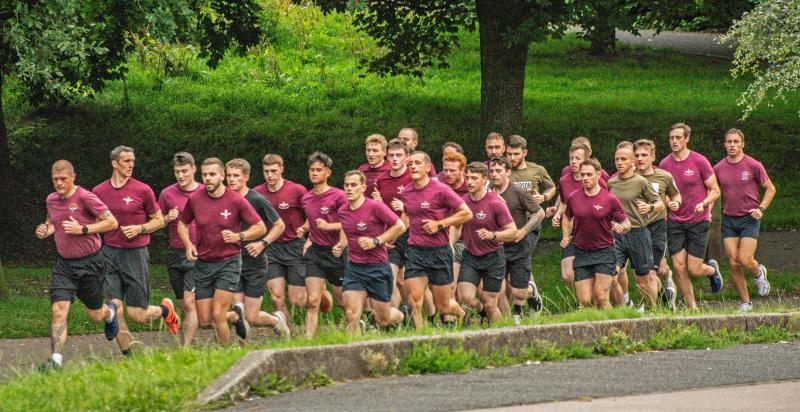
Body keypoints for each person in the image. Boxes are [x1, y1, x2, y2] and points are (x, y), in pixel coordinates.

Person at [93, 146, 179, 356]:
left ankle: (165, 310)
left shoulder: (142, 190)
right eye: (126, 161)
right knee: (114, 308)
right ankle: (129, 356)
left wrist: (140, 228)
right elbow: (94, 221)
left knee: (137, 314)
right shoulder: (98, 192)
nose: (131, 165)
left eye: (133, 161)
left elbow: (159, 220)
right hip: (108, 253)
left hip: (135, 254)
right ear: (114, 163)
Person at [36, 160, 120, 369]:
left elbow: (112, 222)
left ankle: (110, 313)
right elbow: (52, 222)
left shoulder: (85, 197)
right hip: (64, 265)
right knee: (58, 310)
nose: (59, 183)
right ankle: (55, 360)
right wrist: (45, 230)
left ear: (73, 177)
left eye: (63, 179)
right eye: (55, 179)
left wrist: (83, 229)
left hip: (90, 263)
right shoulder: (51, 200)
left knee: (95, 315)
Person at [178, 158, 266, 345]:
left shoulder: (235, 199)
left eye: (212, 174)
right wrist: (188, 244)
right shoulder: (195, 199)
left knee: (218, 314)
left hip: (229, 262)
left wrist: (238, 236)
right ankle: (235, 316)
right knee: (205, 320)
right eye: (205, 175)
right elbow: (182, 223)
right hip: (203, 264)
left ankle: (225, 354)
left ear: (222, 175)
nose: (208, 178)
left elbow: (260, 227)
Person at [401, 151, 471, 330]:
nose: (413, 166)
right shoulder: (407, 191)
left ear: (427, 167)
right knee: (414, 301)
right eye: (410, 164)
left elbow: (466, 213)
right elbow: (407, 216)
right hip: (415, 251)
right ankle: (420, 338)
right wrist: (392, 237)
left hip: (439, 252)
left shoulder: (441, 189)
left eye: (417, 163)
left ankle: (462, 314)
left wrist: (439, 224)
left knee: (443, 306)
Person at [658, 123, 723, 310]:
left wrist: (704, 204)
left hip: (698, 220)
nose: (674, 141)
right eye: (671, 138)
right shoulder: (664, 164)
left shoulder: (699, 161)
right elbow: (664, 192)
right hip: (675, 221)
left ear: (686, 139)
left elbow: (715, 190)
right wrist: (669, 201)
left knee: (694, 269)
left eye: (678, 138)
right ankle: (692, 308)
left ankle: (711, 270)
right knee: (678, 267)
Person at [224, 159, 289, 340]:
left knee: (252, 317)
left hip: (255, 264)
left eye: (236, 175)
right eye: (229, 175)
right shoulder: (223, 199)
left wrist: (263, 243)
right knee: (238, 313)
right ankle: (242, 349)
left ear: (246, 177)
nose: (231, 179)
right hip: (232, 262)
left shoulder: (257, 199)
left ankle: (276, 321)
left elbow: (279, 225)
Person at [336, 170, 407, 336]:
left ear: (363, 187)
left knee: (383, 319)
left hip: (378, 268)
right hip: (354, 269)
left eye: (353, 185)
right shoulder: (342, 211)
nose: (349, 188)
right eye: (346, 185)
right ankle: (358, 349)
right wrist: (341, 245)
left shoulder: (375, 207)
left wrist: (376, 241)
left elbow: (400, 226)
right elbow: (347, 230)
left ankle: (402, 315)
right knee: (351, 314)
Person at [714, 128, 776, 312]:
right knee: (733, 263)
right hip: (729, 219)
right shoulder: (718, 168)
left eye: (736, 141)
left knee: (745, 259)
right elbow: (713, 190)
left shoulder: (753, 164)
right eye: (729, 142)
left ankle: (758, 272)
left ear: (742, 144)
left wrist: (761, 208)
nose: (732, 145)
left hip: (749, 217)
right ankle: (746, 302)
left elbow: (770, 188)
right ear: (725, 145)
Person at [561, 159, 631, 309]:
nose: (585, 178)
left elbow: (627, 222)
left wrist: (621, 227)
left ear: (599, 174)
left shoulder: (609, 199)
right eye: (582, 175)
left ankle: (613, 322)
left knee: (601, 297)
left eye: (589, 174)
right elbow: (566, 217)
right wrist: (566, 236)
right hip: (581, 252)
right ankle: (598, 320)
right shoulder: (574, 197)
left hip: (604, 252)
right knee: (585, 301)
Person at [454, 162, 517, 324]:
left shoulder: (495, 203)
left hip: (493, 257)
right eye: (467, 178)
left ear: (484, 180)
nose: (469, 182)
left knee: (490, 304)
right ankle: (481, 311)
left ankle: (500, 332)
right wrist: (449, 245)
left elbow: (513, 232)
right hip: (470, 256)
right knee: (465, 296)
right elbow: (456, 226)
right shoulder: (463, 202)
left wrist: (493, 235)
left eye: (474, 178)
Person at [489, 156, 545, 323]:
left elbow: (539, 213)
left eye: (498, 171)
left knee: (518, 291)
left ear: (508, 172)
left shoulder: (518, 192)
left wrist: (523, 231)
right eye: (492, 171)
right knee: (498, 290)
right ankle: (511, 320)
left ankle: (532, 293)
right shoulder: (487, 192)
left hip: (518, 246)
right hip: (496, 247)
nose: (494, 174)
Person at [298, 152, 348, 337]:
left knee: (343, 301)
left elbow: (349, 222)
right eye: (311, 170)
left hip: (336, 252)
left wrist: (329, 227)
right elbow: (312, 219)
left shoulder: (339, 196)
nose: (314, 173)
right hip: (316, 253)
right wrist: (306, 231)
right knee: (312, 301)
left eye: (319, 170)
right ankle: (308, 340)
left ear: (328, 173)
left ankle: (357, 328)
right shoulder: (306, 198)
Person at [607, 142, 663, 309]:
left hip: (638, 233)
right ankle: (623, 310)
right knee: (611, 275)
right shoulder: (611, 183)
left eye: (623, 159)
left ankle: (652, 310)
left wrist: (649, 207)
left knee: (643, 280)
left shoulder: (641, 182)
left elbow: (659, 203)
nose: (619, 162)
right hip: (617, 235)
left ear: (633, 162)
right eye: (617, 159)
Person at [254, 154, 308, 324]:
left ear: (282, 169)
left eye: (274, 171)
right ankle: (288, 331)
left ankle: (318, 294)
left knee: (297, 301)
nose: (270, 175)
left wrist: (305, 229)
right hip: (270, 248)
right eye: (266, 171)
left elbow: (311, 214)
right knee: (276, 297)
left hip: (294, 246)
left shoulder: (297, 190)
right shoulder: (257, 193)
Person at [158, 152, 203, 346]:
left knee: (189, 302)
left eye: (184, 171)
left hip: (198, 254)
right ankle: (183, 323)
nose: (181, 175)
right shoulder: (167, 193)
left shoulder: (205, 191)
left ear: (194, 169)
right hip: (175, 253)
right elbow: (156, 222)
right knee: (184, 304)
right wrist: (167, 218)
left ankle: (186, 348)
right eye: (177, 172)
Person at [633, 139, 682, 310]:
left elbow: (676, 195)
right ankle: (664, 296)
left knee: (652, 272)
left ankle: (649, 309)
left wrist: (676, 203)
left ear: (653, 157)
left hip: (657, 227)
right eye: (637, 155)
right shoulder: (625, 178)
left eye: (644, 155)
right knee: (642, 274)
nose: (640, 159)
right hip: (635, 229)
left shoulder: (664, 176)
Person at [551, 143, 607, 289]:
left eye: (577, 158)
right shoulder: (564, 180)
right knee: (567, 275)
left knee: (598, 274)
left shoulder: (599, 180)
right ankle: (581, 298)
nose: (573, 162)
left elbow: (607, 203)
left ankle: (594, 298)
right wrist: (558, 214)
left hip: (595, 232)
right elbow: (564, 203)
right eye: (571, 158)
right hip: (572, 232)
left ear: (586, 160)